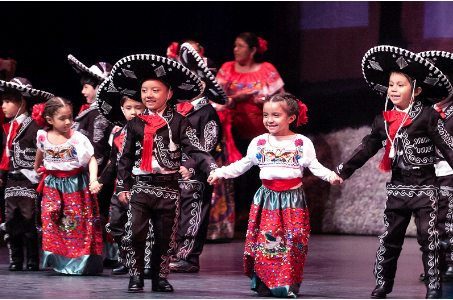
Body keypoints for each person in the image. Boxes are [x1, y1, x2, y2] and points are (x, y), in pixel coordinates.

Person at [331, 46, 453, 299]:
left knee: (428, 241)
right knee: (389, 240)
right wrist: (343, 170)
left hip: (425, 190)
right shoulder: (383, 120)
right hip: (398, 190)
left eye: (401, 84)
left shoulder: (429, 116)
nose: (394, 89)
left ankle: (433, 286)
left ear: (417, 91)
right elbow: (366, 148)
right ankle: (383, 284)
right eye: (391, 84)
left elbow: (448, 146)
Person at [208, 92, 337, 298]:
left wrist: (330, 176)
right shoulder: (260, 143)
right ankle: (266, 283)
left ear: (291, 118)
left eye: (276, 115)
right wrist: (220, 173)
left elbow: (315, 166)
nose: (269, 120)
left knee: (294, 241)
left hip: (292, 198)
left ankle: (287, 284)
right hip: (268, 199)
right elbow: (243, 165)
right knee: (270, 241)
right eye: (266, 115)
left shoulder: (301, 143)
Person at [110, 54, 218, 292]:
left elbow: (195, 148)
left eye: (155, 90)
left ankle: (159, 278)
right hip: (140, 187)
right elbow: (125, 158)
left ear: (169, 94)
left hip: (168, 188)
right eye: (145, 90)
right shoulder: (135, 123)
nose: (149, 95)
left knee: (164, 237)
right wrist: (122, 187)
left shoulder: (180, 122)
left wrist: (211, 167)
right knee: (135, 234)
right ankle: (136, 277)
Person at [216, 32, 285, 231]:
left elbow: (284, 99)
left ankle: (261, 217)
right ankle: (237, 216)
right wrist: (237, 98)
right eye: (235, 45)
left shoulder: (266, 70)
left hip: (261, 131)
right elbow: (216, 97)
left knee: (260, 174)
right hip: (232, 130)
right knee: (237, 174)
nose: (235, 49)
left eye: (240, 46)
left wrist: (261, 101)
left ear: (253, 50)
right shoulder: (227, 69)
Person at [168, 42, 227, 273]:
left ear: (202, 84)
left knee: (192, 215)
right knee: (175, 217)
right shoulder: (179, 109)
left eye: (194, 80)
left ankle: (188, 257)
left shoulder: (207, 112)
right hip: (173, 172)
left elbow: (208, 146)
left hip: (195, 174)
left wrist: (190, 168)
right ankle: (173, 253)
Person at [34, 96, 103, 275]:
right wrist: (38, 167)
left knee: (74, 223)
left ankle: (78, 262)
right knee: (50, 219)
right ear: (49, 120)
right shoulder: (42, 135)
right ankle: (58, 258)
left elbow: (91, 159)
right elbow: (41, 150)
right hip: (52, 184)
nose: (68, 122)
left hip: (75, 185)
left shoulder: (77, 139)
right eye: (62, 118)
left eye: (70, 117)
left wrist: (93, 180)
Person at [68, 54, 117, 268]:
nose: (83, 91)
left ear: (100, 86)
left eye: (87, 87)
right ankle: (93, 254)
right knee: (96, 214)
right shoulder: (89, 112)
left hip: (99, 173)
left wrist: (98, 176)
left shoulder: (103, 114)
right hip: (87, 172)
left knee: (106, 212)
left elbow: (104, 148)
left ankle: (112, 255)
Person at [0, 77, 54, 271]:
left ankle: (32, 260)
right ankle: (15, 259)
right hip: (11, 182)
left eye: (7, 102)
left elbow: (44, 152)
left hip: (28, 182)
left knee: (29, 221)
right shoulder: (9, 128)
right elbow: (6, 156)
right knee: (11, 221)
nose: (3, 106)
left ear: (21, 102)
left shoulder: (35, 126)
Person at [95, 79, 146, 275]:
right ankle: (125, 259)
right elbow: (113, 163)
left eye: (138, 107)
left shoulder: (151, 133)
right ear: (122, 109)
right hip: (121, 188)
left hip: (141, 186)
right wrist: (100, 182)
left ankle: (139, 263)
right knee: (116, 224)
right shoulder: (118, 134)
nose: (133, 112)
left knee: (139, 227)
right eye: (129, 108)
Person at [419, 50, 453, 281]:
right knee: (428, 219)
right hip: (425, 172)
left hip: (449, 170)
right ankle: (436, 263)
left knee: (447, 217)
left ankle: (451, 262)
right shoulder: (422, 112)